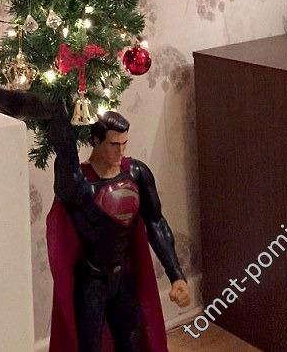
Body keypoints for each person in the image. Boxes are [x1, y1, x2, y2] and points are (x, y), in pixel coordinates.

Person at [47, 107, 190, 352]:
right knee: (89, 346)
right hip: (91, 281)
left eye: (125, 143)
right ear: (95, 140)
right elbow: (65, 150)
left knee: (132, 341)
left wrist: (176, 275)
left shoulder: (136, 173)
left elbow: (156, 222)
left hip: (123, 277)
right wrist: (60, 109)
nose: (121, 151)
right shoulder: (81, 184)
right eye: (114, 144)